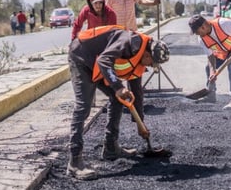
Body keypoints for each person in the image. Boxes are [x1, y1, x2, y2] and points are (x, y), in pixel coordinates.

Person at [67, 25, 170, 180]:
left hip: (98, 64)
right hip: (82, 57)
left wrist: (140, 123)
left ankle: (110, 148)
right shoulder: (128, 42)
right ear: (148, 54)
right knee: (83, 107)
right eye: (151, 62)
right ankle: (75, 162)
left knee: (117, 99)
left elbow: (137, 93)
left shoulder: (141, 57)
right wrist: (118, 86)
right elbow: (103, 60)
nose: (149, 65)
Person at [188, 14, 231, 110]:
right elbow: (210, 56)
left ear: (203, 26)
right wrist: (213, 71)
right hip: (222, 52)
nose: (197, 34)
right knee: (208, 68)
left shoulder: (222, 24)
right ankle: (211, 95)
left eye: (197, 31)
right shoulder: (202, 39)